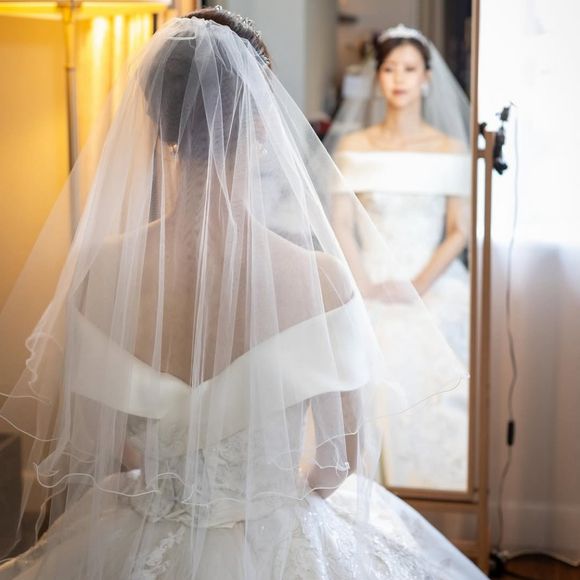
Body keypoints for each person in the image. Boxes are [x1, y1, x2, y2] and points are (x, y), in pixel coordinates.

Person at [0, 9, 486, 579]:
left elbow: (97, 441)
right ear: (260, 122)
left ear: (157, 124)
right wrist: (257, 495)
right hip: (273, 536)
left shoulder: (98, 274)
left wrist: (170, 479)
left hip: (138, 537)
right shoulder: (323, 279)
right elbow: (337, 466)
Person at [329, 25, 472, 490]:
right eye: (389, 69)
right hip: (367, 277)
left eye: (409, 69)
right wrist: (366, 285)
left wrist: (417, 286)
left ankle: (438, 488)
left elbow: (459, 230)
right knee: (365, 338)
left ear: (427, 78)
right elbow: (340, 223)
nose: (399, 79)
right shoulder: (355, 146)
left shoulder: (450, 148)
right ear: (378, 77)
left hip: (432, 281)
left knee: (434, 334)